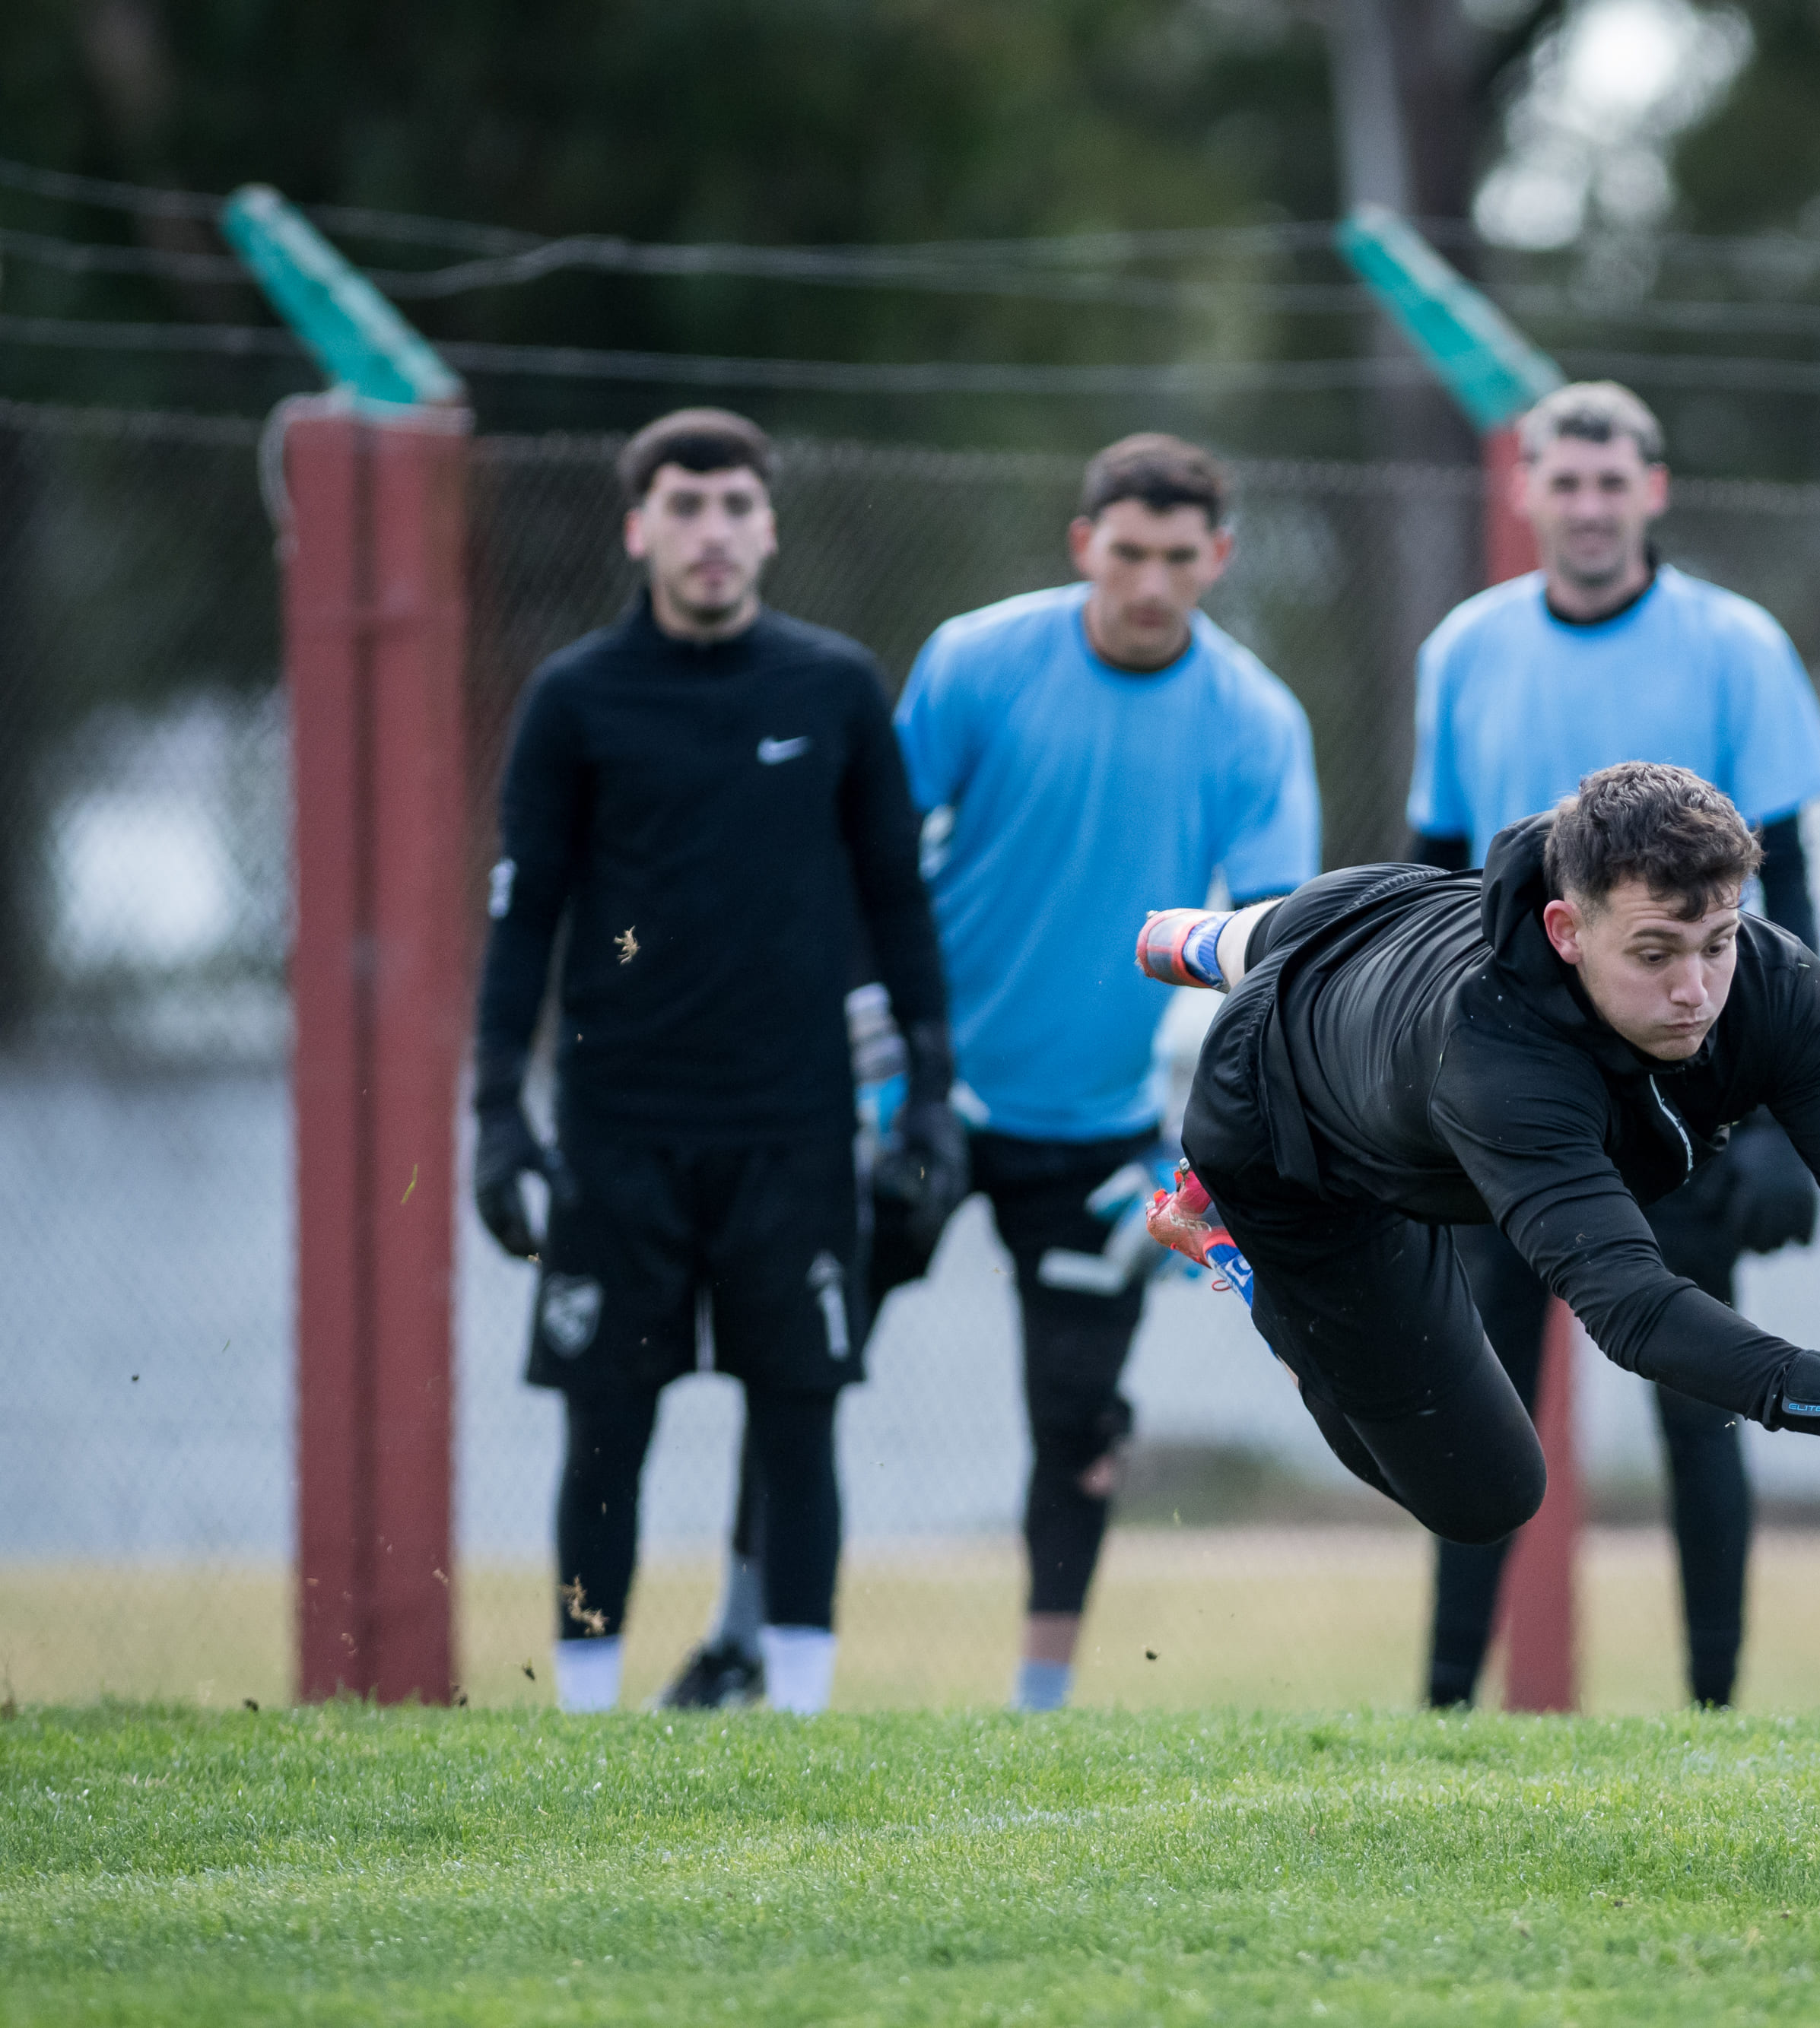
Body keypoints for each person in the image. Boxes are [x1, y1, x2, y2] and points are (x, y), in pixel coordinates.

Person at [1135, 761, 1820, 1615]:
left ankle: (1211, 941)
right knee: (1485, 1494)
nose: (1696, 989)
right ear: (1565, 930)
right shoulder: (1497, 1059)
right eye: (1655, 953)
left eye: (1718, 942)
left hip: (1358, 920)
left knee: (1306, 930)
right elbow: (1635, 1313)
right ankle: (1235, 1244)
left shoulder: (1774, 986)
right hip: (1283, 1130)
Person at [669, 433, 1322, 1716]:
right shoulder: (977, 659)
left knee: (1079, 1424)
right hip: (925, 1099)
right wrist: (884, 1071)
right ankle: (740, 1645)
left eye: (1178, 559)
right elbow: (870, 863)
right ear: (1084, 544)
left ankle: (1039, 1713)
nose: (1148, 583)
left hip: (1105, 1137)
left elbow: (1270, 965)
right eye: (1125, 553)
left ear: (1218, 561)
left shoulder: (1257, 721)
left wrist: (1188, 1160)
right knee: (803, 1370)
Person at [472, 408, 963, 1719]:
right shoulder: (576, 698)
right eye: (685, 508)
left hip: (795, 1129)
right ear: (639, 529)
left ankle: (795, 1713)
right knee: (605, 1423)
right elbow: (523, 914)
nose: (712, 533)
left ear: (769, 527)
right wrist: (496, 1119)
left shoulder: (835, 688)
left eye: (736, 506)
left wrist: (925, 1090)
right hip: (620, 1130)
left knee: (799, 1415)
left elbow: (895, 908)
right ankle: (583, 1712)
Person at [1403, 381, 1820, 1710]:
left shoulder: (1735, 644)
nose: (1589, 506)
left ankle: (1714, 1708)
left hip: (1686, 1094)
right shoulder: (1466, 650)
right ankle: (1441, 1712)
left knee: (1700, 1398)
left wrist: (1778, 1115)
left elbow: (1796, 890)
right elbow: (1432, 885)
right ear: (1524, 491)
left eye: (1614, 483)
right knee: (1475, 1407)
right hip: (1509, 1098)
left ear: (1652, 492)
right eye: (1565, 480)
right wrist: (1416, 1093)